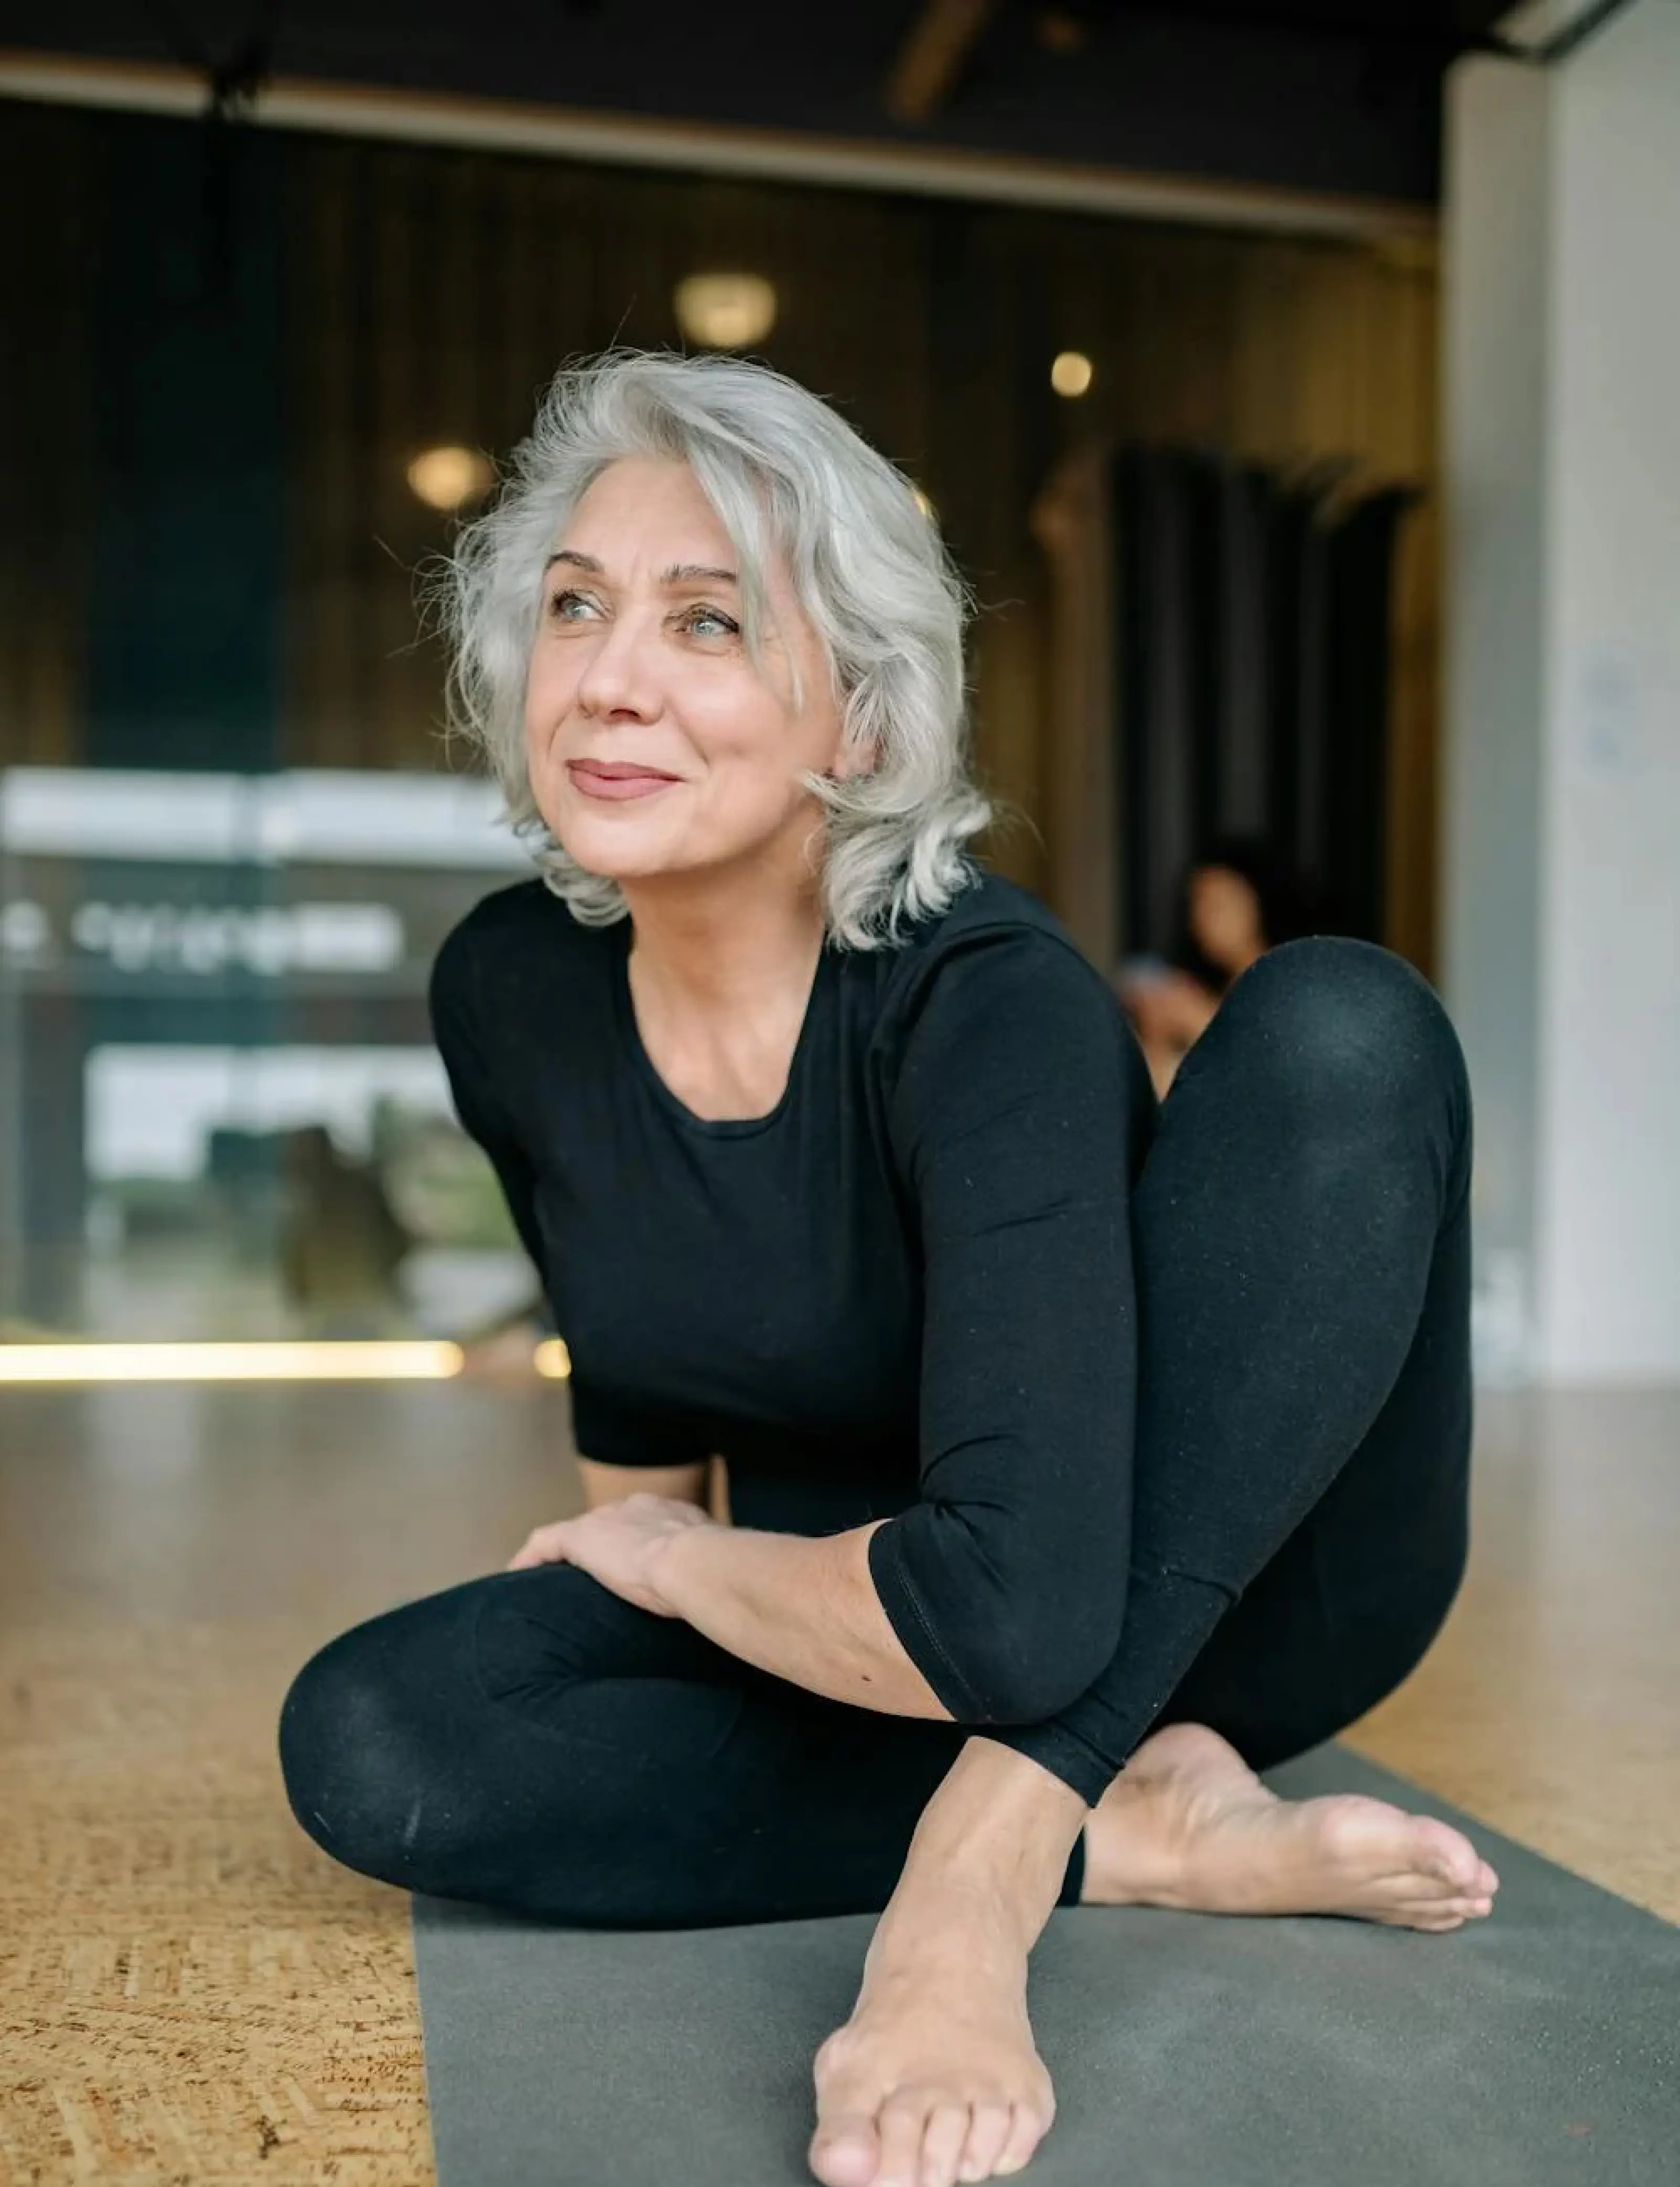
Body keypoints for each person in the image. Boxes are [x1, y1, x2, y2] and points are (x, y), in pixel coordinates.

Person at [277, 350, 1494, 2187]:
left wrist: (687, 1567)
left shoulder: (986, 1000)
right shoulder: (509, 989)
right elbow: (637, 1384)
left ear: (855, 719)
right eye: (577, 607)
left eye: (707, 622)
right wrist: (647, 1594)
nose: (608, 678)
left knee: (1343, 1027)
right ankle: (1132, 1830)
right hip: (874, 1601)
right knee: (373, 1737)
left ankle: (985, 1861)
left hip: (1216, 1584)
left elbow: (1008, 1616)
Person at [1117, 834, 1320, 1099]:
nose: (1202, 919)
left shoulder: (1290, 989)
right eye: (1196, 905)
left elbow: (1280, 1080)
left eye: (1218, 906)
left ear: (1259, 904)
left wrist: (1200, 1022)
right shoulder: (1198, 984)